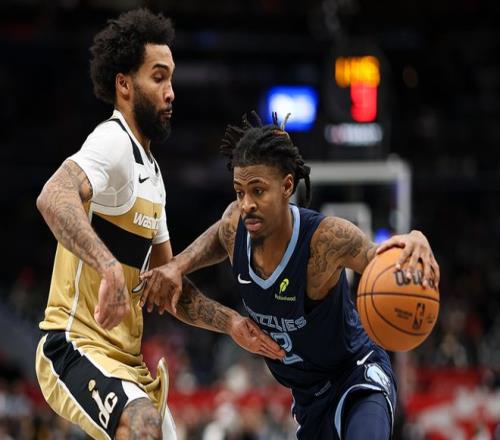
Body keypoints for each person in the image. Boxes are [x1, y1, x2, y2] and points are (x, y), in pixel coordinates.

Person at [34, 11, 284, 440]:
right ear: (124, 85)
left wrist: (231, 324)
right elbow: (53, 196)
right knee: (143, 425)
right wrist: (108, 266)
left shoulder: (152, 174)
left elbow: (169, 289)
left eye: (171, 79)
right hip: (74, 345)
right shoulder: (112, 141)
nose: (171, 92)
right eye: (158, 77)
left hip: (128, 365)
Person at [140, 112, 441, 439]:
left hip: (357, 376)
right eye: (239, 192)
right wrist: (179, 266)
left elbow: (379, 261)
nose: (246, 204)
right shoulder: (235, 226)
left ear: (286, 186)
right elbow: (218, 236)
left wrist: (415, 239)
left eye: (258, 191)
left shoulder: (325, 240)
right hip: (309, 402)